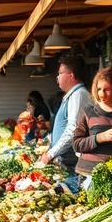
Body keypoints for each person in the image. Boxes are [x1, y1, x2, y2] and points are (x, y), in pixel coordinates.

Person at [41, 55, 93, 192]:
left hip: (72, 163)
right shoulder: (72, 95)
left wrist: (51, 154)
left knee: (72, 195)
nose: (57, 77)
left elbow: (72, 130)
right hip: (66, 161)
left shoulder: (79, 95)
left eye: (60, 73)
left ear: (71, 75)